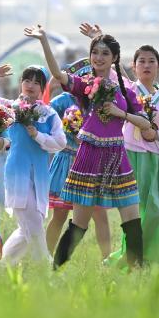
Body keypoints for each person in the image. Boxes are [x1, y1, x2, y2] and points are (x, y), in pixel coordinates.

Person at [27, 25, 151, 269]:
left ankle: (138, 272)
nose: (98, 58)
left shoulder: (126, 91)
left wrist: (121, 113)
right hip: (88, 156)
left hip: (117, 156)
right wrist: (44, 42)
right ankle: (55, 269)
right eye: (95, 52)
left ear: (114, 58)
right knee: (79, 223)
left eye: (105, 53)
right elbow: (58, 74)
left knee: (132, 218)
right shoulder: (86, 85)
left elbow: (146, 123)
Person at [112, 43, 159, 267]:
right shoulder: (128, 91)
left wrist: (157, 134)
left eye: (151, 61)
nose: (146, 65)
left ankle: (154, 257)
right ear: (133, 67)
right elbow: (112, 73)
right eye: (141, 61)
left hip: (158, 159)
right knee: (136, 212)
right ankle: (133, 257)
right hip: (133, 156)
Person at [2, 65, 66, 265]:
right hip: (17, 173)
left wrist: (38, 135)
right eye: (27, 80)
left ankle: (3, 266)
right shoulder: (10, 109)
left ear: (43, 88)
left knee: (27, 227)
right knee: (34, 223)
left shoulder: (49, 113)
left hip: (39, 176)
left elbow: (60, 143)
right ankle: (45, 268)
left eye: (37, 82)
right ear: (21, 83)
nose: (30, 85)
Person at [47, 71, 112, 259]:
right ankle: (45, 258)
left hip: (91, 162)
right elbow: (45, 116)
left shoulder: (97, 102)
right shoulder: (63, 100)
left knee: (99, 214)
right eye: (81, 78)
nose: (85, 83)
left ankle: (106, 260)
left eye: (90, 79)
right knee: (59, 214)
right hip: (66, 159)